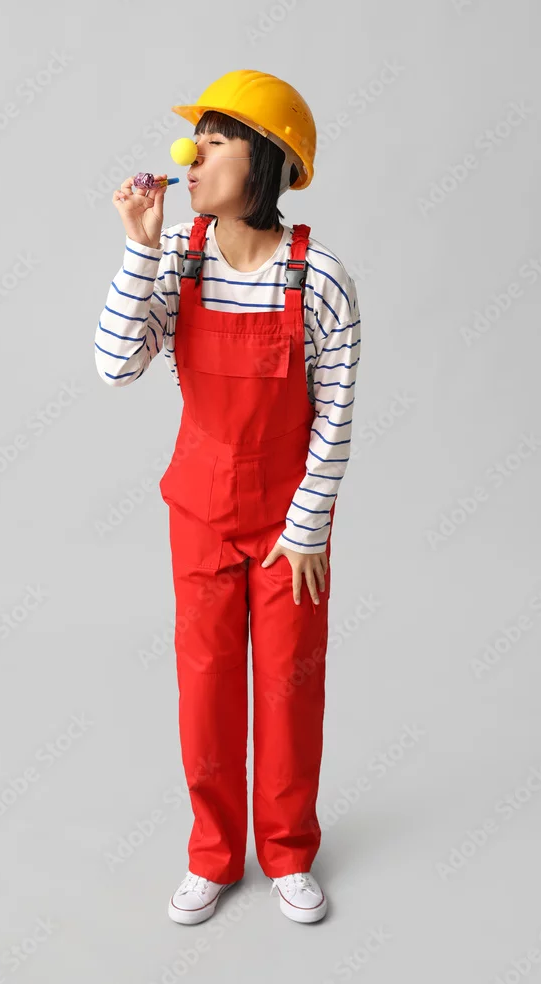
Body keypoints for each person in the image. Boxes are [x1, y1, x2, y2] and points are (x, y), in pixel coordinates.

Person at [94, 70, 362, 925]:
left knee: (289, 690)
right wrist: (139, 247)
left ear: (268, 161)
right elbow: (114, 366)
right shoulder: (177, 256)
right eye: (195, 141)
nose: (191, 157)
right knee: (205, 689)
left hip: (289, 525)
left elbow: (335, 413)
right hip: (200, 513)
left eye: (215, 142)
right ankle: (212, 855)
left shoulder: (321, 278)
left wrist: (308, 526)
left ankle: (287, 853)